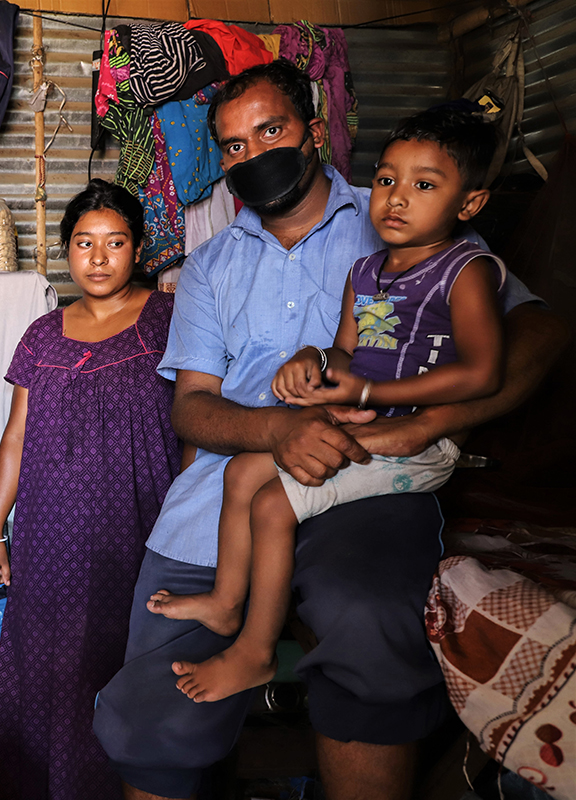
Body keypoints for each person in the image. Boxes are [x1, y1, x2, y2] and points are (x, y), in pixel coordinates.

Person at [92, 60, 568, 800]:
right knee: (150, 707)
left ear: (316, 131)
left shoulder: (400, 219)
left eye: (271, 130)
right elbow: (192, 408)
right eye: (234, 146)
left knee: (369, 621)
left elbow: (533, 332)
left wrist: (427, 425)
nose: (253, 155)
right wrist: (279, 429)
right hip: (223, 494)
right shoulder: (211, 268)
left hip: (363, 486)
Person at [151, 106, 507, 704]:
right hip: (361, 420)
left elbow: (483, 372)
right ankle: (226, 602)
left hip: (413, 438)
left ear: (468, 205)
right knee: (241, 472)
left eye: (423, 186)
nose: (395, 199)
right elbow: (352, 351)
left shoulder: (463, 271)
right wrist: (314, 366)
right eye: (388, 180)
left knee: (270, 507)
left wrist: (372, 394)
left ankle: (256, 653)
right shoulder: (369, 272)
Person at [0, 178, 182, 800]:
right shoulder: (42, 335)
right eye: (83, 243)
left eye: (114, 242)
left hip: (141, 531)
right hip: (48, 539)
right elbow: (16, 435)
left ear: (138, 248)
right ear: (66, 251)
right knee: (50, 673)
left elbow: (201, 418)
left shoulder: (167, 319)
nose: (97, 258)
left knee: (127, 669)